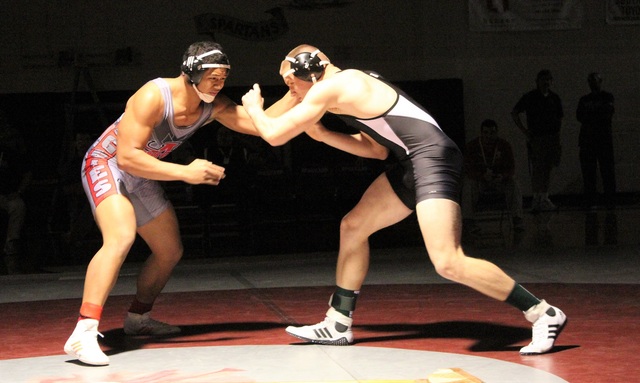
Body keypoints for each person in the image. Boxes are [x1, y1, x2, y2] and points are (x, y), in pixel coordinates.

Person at [241, 44, 567, 355]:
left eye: (290, 83)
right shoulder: (348, 85)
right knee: (353, 226)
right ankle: (338, 323)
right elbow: (376, 149)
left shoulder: (335, 86)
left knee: (448, 261)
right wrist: (325, 135)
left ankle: (542, 312)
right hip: (412, 161)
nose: (291, 92)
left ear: (310, 73)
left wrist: (255, 108)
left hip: (431, 159)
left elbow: (274, 134)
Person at [63, 41, 261, 366]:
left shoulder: (213, 105)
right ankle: (82, 332)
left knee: (169, 250)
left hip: (143, 171)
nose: (221, 84)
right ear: (191, 74)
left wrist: (303, 101)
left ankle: (138, 318)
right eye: (214, 78)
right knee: (121, 237)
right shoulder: (154, 95)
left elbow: (265, 128)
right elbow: (126, 156)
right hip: (108, 163)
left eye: (224, 78)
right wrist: (185, 172)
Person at [511, 69, 563, 212]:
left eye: (548, 79)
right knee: (538, 168)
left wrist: (557, 138)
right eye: (543, 79)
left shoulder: (554, 98)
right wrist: (525, 131)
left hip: (552, 137)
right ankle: (536, 198)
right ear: (537, 81)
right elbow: (515, 113)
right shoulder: (530, 97)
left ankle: (544, 197)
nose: (546, 82)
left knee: (548, 167)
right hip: (537, 138)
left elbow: (559, 118)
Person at [461, 119, 524, 232]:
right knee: (468, 184)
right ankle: (468, 221)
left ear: (497, 133)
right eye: (486, 133)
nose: (489, 136)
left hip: (499, 182)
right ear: (481, 133)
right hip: (480, 181)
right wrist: (482, 176)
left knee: (513, 183)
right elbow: (468, 168)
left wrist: (503, 176)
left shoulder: (504, 146)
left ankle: (517, 219)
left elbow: (511, 167)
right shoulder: (473, 146)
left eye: (492, 133)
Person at [576, 72, 616, 209]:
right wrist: (596, 113)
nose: (592, 83)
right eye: (590, 80)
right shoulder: (584, 99)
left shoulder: (607, 96)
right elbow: (579, 116)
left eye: (594, 80)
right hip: (587, 141)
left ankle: (610, 200)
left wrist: (591, 114)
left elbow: (607, 114)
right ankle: (590, 200)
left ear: (600, 81)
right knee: (588, 172)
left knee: (607, 171)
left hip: (603, 140)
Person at [0, 110, 33, 274]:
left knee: (18, 207)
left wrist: (18, 191)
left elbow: (27, 173)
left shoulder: (12, 153)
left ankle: (11, 241)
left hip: (10, 195)